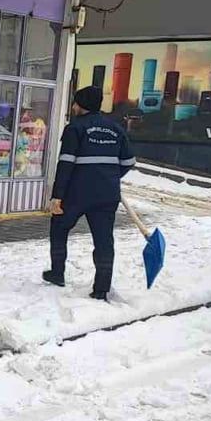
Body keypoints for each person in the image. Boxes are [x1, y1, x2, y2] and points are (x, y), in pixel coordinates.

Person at [44, 85, 136, 301]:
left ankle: (57, 273)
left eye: (75, 103)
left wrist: (57, 196)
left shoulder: (75, 128)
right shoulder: (116, 129)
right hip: (107, 195)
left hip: (77, 194)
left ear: (81, 105)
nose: (74, 106)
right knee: (104, 241)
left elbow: (65, 164)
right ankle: (101, 288)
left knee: (59, 227)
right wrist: (110, 177)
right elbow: (129, 162)